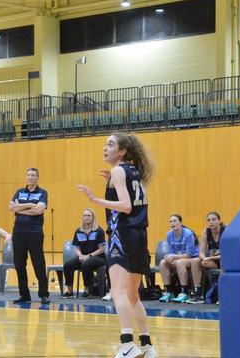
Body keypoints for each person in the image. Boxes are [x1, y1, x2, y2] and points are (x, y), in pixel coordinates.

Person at [77, 132, 158, 358]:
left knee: (118, 292)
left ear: (122, 151)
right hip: (139, 235)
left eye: (110, 144)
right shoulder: (135, 171)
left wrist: (95, 200)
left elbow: (125, 206)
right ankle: (147, 346)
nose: (105, 147)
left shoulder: (118, 170)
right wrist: (110, 186)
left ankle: (127, 344)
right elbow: (131, 200)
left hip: (122, 235)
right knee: (133, 296)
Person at [8, 168, 50, 304]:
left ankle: (44, 294)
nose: (30, 177)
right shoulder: (19, 192)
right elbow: (11, 207)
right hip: (18, 232)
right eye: (28, 175)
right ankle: (24, 295)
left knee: (38, 263)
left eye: (33, 175)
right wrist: (30, 205)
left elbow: (39, 210)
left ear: (37, 178)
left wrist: (20, 208)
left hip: (35, 232)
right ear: (26, 177)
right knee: (19, 263)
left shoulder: (43, 193)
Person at [61, 208, 106, 298]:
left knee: (86, 263)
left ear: (93, 218)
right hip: (84, 256)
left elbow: (101, 249)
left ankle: (87, 290)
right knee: (68, 265)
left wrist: (88, 256)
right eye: (84, 215)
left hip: (98, 257)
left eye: (89, 215)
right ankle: (69, 292)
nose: (86, 217)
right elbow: (77, 247)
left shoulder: (99, 231)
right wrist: (80, 255)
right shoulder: (79, 231)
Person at [158, 214, 201, 304]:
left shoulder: (188, 234)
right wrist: (169, 257)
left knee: (180, 263)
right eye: (170, 221)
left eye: (175, 221)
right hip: (179, 258)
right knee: (163, 262)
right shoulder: (169, 234)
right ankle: (169, 291)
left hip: (192, 259)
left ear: (180, 223)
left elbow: (189, 254)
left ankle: (184, 292)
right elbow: (171, 251)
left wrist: (173, 257)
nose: (172, 223)